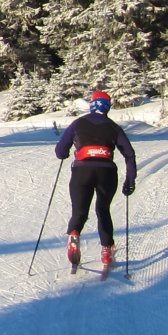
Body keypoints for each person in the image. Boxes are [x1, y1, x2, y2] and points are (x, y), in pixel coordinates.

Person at [54, 90, 137, 268]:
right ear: (108, 107)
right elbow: (129, 154)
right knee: (103, 210)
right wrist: (130, 180)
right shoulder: (114, 127)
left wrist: (67, 152)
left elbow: (60, 151)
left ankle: (74, 234)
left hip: (81, 171)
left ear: (92, 105)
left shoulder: (78, 123)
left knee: (79, 211)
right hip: (106, 172)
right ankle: (107, 250)